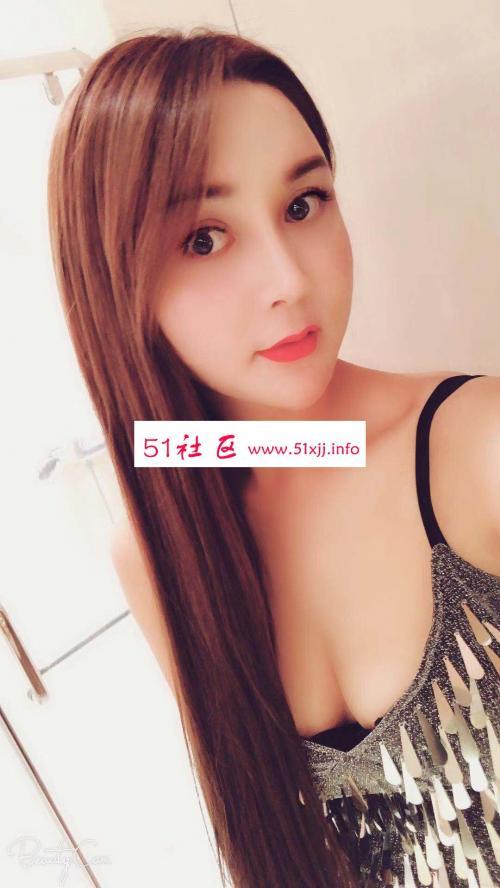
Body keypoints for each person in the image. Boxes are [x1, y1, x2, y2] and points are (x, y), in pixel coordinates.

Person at [47, 27, 500, 888]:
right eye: (204, 238)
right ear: (116, 282)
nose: (289, 279)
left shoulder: (476, 446)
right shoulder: (156, 549)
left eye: (303, 204)